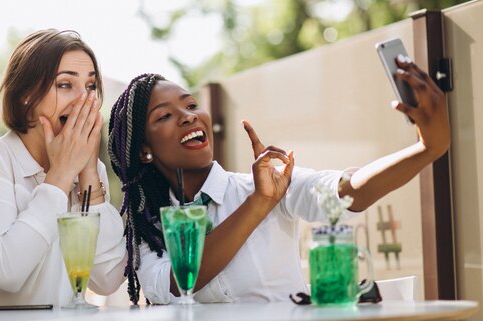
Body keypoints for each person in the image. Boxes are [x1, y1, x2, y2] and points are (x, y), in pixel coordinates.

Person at [107, 56, 449, 304]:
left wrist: (426, 148)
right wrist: (258, 205)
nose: (187, 117)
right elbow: (171, 287)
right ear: (144, 152)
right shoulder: (148, 228)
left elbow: (346, 192)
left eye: (192, 105)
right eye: (165, 116)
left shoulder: (268, 183)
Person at [0, 29, 126, 308]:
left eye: (91, 86)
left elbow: (107, 279)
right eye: (66, 85)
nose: (84, 99)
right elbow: (7, 272)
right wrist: (60, 176)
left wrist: (89, 174)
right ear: (27, 96)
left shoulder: (89, 173)